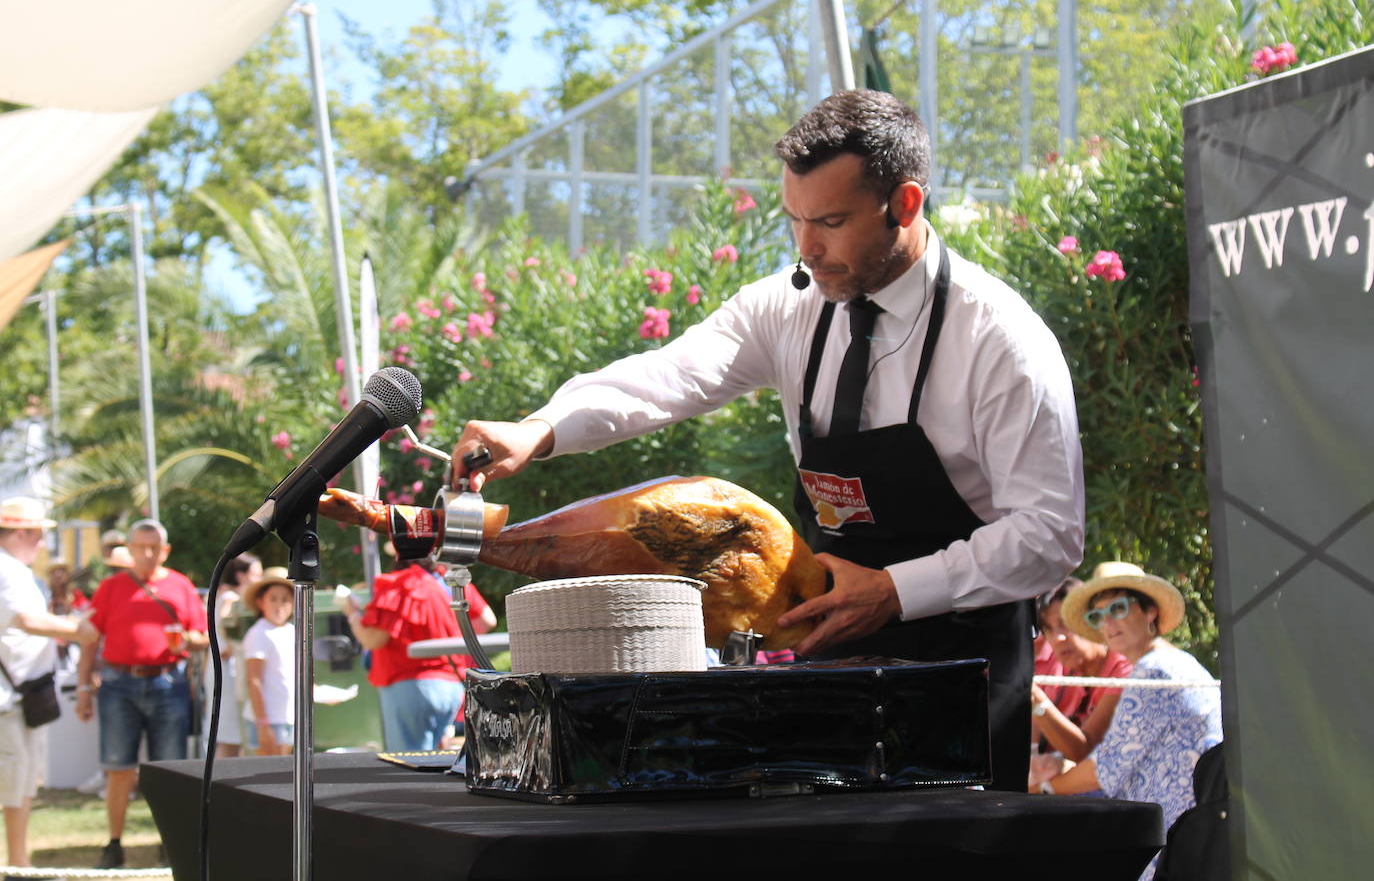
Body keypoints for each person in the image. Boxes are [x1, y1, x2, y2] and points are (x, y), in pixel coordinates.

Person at [447, 89, 1084, 790]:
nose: (807, 248)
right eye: (795, 220)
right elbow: (669, 375)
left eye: (832, 222)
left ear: (906, 204)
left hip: (962, 664)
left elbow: (1050, 534)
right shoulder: (788, 306)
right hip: (824, 645)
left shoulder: (1000, 339)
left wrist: (896, 590)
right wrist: (539, 429)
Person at [1038, 562, 1222, 880]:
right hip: (1190, 833)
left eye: (1118, 608)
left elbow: (1105, 769)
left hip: (1168, 843)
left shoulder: (1155, 669)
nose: (1107, 623)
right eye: (1097, 616)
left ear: (1150, 611)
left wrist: (1040, 790)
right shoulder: (1176, 662)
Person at [75, 518, 208, 870]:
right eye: (140, 547)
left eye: (154, 548)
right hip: (119, 685)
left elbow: (202, 636)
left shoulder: (181, 586)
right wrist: (84, 688)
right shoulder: (110, 587)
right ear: (129, 549)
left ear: (165, 551)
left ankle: (171, 842)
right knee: (118, 768)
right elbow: (90, 640)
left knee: (169, 770)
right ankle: (114, 844)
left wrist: (187, 638)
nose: (147, 554)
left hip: (169, 683)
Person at [0, 497, 99, 871]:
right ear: (22, 532)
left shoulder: (15, 569)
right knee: (12, 784)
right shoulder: (7, 569)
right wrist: (79, 630)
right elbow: (26, 620)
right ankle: (17, 865)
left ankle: (19, 865)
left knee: (21, 786)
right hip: (9, 699)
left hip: (20, 696)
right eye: (39, 533)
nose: (42, 542)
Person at [341, 556, 495, 751]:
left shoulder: (401, 583)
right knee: (435, 766)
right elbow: (487, 620)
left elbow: (373, 639)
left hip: (411, 688)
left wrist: (352, 614)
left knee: (411, 768)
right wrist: (454, 635)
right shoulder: (447, 582)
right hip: (451, 688)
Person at [1030, 577, 1133, 769]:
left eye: (1065, 624)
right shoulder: (1072, 668)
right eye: (1049, 629)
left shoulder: (1124, 670)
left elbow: (1083, 750)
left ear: (1092, 621)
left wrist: (1035, 698)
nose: (1058, 638)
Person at [205, 553, 262, 758]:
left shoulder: (225, 594)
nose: (259, 578)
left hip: (224, 667)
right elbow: (222, 622)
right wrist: (232, 645)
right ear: (241, 576)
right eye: (256, 573)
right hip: (228, 670)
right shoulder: (231, 597)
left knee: (233, 732)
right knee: (231, 733)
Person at [240, 572, 295, 756]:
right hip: (269, 719)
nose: (279, 606)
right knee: (270, 775)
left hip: (288, 715)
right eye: (273, 599)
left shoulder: (291, 631)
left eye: (285, 599)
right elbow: (254, 680)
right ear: (260, 602)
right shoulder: (259, 633)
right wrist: (262, 723)